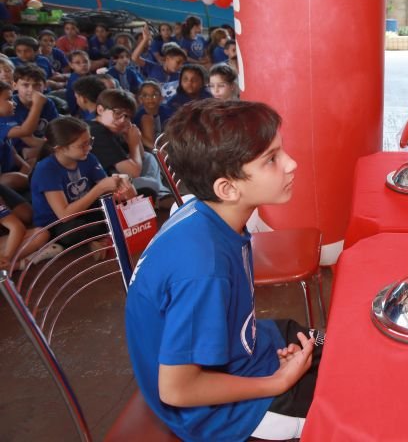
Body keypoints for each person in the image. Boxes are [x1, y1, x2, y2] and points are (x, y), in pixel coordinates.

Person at [125, 99, 320, 441]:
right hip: (222, 414)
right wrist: (278, 381)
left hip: (250, 347)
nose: (291, 164)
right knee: (353, 404)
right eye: (271, 159)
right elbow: (177, 389)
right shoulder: (203, 267)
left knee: (340, 350)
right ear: (227, 188)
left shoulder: (205, 212)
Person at [30, 116, 128, 260]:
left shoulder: (88, 158)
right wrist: (99, 188)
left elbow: (108, 189)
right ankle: (97, 238)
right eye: (82, 145)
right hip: (58, 224)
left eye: (90, 142)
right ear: (61, 148)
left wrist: (122, 190)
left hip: (84, 211)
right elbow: (64, 215)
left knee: (121, 206)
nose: (89, 147)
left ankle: (98, 237)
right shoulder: (46, 169)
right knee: (74, 230)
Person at [88, 88, 171, 204]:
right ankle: (159, 195)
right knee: (151, 183)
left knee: (148, 157)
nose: (122, 120)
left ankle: (158, 195)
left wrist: (134, 137)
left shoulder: (112, 127)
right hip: (105, 189)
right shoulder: (97, 131)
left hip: (123, 177)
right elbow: (133, 172)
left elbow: (140, 157)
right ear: (100, 110)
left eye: (127, 116)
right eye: (117, 113)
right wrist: (134, 143)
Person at [134, 81, 174, 150]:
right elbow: (139, 137)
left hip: (166, 143)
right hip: (149, 147)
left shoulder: (167, 111)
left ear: (161, 98)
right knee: (147, 119)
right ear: (140, 99)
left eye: (154, 95)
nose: (150, 98)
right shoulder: (138, 116)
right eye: (145, 95)